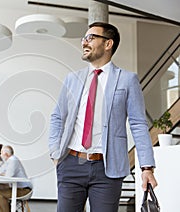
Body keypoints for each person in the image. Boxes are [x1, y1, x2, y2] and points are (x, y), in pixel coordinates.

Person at [48, 22, 158, 212]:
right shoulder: (72, 79)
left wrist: (146, 168)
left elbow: (138, 124)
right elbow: (57, 117)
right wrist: (55, 153)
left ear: (108, 44)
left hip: (107, 169)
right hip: (71, 163)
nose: (84, 43)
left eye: (90, 38)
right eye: (84, 38)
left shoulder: (127, 79)